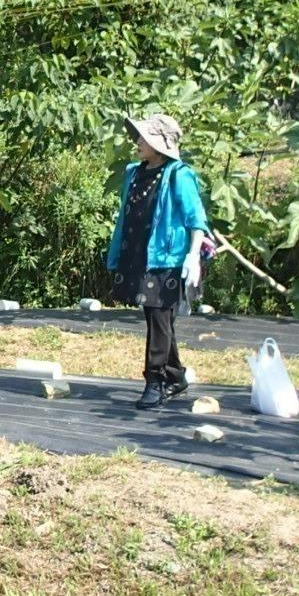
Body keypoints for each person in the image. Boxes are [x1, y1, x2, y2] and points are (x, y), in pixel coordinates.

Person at [105, 113, 211, 410]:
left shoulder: (178, 174)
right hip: (140, 254)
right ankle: (175, 375)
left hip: (169, 259)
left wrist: (193, 255)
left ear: (159, 144)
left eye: (145, 137)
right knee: (157, 318)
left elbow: (196, 219)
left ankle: (155, 381)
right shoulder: (134, 173)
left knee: (159, 318)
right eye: (139, 136)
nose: (138, 142)